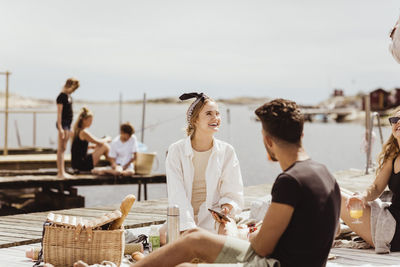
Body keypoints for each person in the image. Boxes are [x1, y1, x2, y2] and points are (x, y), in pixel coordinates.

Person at [131, 98, 341, 267]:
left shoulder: (290, 181)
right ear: (301, 134)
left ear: (268, 140)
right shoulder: (325, 174)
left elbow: (261, 248)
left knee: (194, 240)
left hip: (271, 263)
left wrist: (255, 232)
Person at [165, 92, 244, 236]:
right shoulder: (176, 150)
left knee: (228, 234)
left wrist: (226, 207)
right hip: (183, 217)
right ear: (195, 120)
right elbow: (176, 193)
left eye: (217, 113)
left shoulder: (227, 151)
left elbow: (233, 190)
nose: (216, 118)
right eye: (209, 114)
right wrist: (189, 227)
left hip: (213, 217)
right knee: (165, 235)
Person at [340, 107, 400, 253]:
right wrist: (363, 197)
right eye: (394, 120)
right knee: (333, 187)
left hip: (394, 231)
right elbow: (377, 187)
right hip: (389, 217)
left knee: (332, 194)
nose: (398, 122)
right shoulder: (393, 155)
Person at [71, 107, 111, 172]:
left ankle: (113, 164)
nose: (91, 123)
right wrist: (107, 139)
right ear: (84, 120)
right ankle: (114, 164)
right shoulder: (83, 132)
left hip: (76, 164)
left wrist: (91, 147)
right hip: (82, 165)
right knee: (105, 146)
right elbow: (98, 141)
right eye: (90, 121)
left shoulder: (77, 130)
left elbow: (78, 148)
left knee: (100, 146)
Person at [56, 78, 79, 178]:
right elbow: (59, 114)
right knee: (61, 148)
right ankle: (60, 173)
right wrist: (60, 127)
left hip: (68, 124)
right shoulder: (61, 97)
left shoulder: (69, 96)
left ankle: (62, 171)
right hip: (63, 123)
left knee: (64, 148)